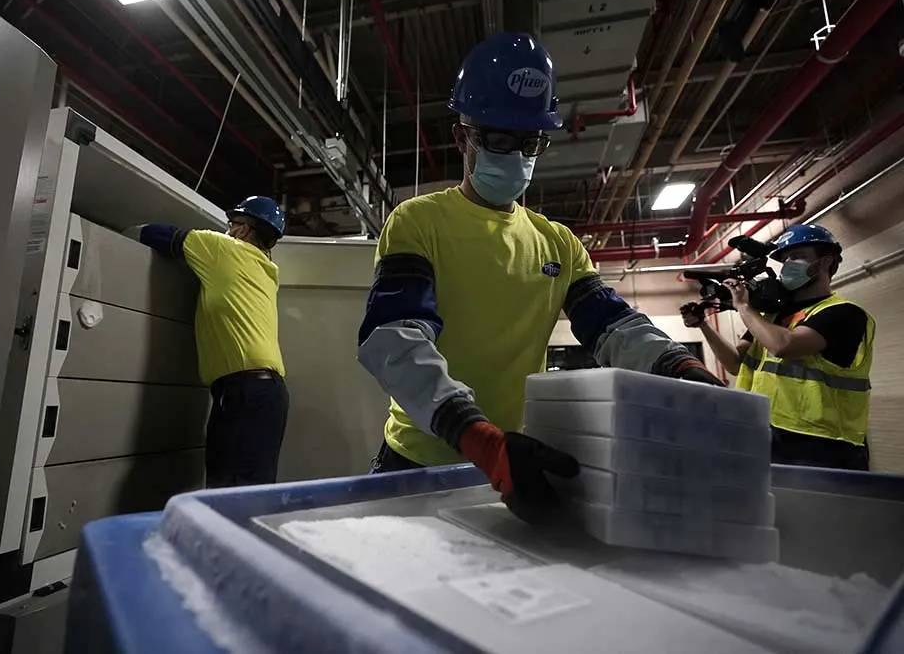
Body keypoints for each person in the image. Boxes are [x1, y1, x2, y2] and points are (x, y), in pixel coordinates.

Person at [356, 32, 722, 523]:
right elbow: (394, 340)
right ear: (462, 137)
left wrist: (681, 367)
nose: (516, 156)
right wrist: (475, 435)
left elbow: (614, 326)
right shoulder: (418, 222)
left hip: (510, 461)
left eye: (530, 142)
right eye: (499, 139)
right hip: (420, 459)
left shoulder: (558, 244)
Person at [125, 196, 290, 487]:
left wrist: (116, 235)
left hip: (245, 392)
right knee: (248, 488)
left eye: (232, 224)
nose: (228, 230)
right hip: (264, 393)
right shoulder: (265, 271)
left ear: (243, 230)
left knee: (229, 490)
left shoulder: (223, 249)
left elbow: (155, 234)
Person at [681, 224, 874, 470]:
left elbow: (784, 345)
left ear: (825, 262)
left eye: (797, 256)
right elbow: (735, 364)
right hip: (769, 434)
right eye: (785, 259)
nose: (788, 264)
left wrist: (744, 307)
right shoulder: (771, 318)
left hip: (823, 444)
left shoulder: (843, 313)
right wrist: (703, 325)